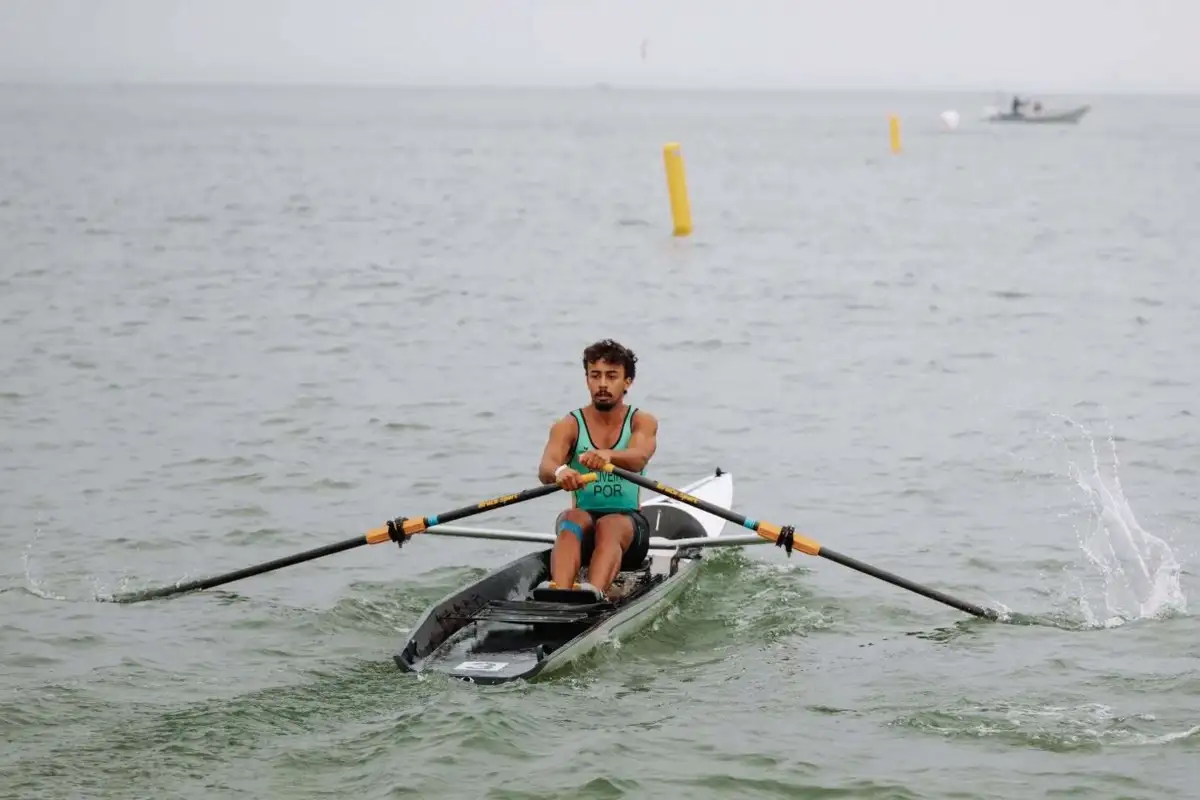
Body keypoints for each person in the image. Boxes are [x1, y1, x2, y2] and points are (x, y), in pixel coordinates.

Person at [535, 339, 658, 600]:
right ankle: (560, 593)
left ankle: (592, 596)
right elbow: (546, 466)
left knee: (610, 525)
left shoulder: (641, 421)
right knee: (571, 517)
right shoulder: (568, 424)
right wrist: (560, 473)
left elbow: (639, 458)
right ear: (587, 379)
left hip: (629, 530)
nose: (602, 384)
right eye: (595, 376)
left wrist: (608, 456)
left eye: (611, 376)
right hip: (583, 531)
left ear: (627, 382)